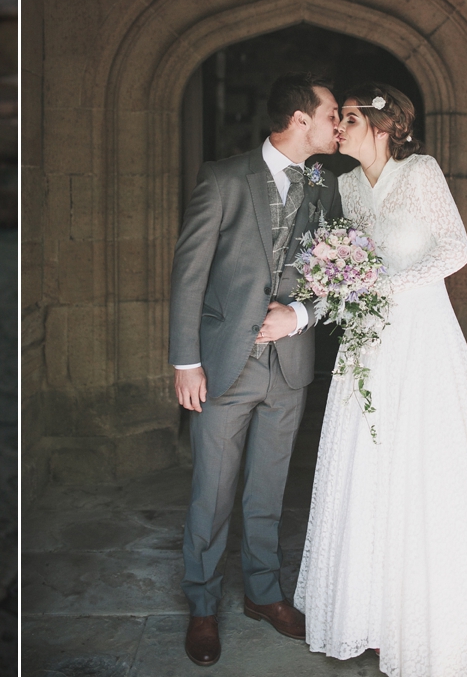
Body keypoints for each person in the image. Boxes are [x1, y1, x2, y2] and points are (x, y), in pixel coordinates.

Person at [294, 84, 467, 676]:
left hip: (422, 334)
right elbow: (356, 256)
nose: (340, 127)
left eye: (352, 119)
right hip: (369, 342)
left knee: (425, 461)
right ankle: (373, 612)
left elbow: (455, 250)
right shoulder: (345, 187)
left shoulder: (422, 172)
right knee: (367, 461)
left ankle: (435, 613)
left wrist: (384, 287)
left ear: (384, 128)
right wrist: (348, 284)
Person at [169, 72, 342, 667]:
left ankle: (263, 595)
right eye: (328, 116)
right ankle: (203, 604)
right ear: (300, 120)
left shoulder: (323, 183)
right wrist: (185, 361)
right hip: (223, 366)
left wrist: (298, 314)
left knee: (268, 491)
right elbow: (188, 274)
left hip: (289, 366)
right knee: (212, 491)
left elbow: (338, 273)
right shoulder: (222, 178)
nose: (336, 126)